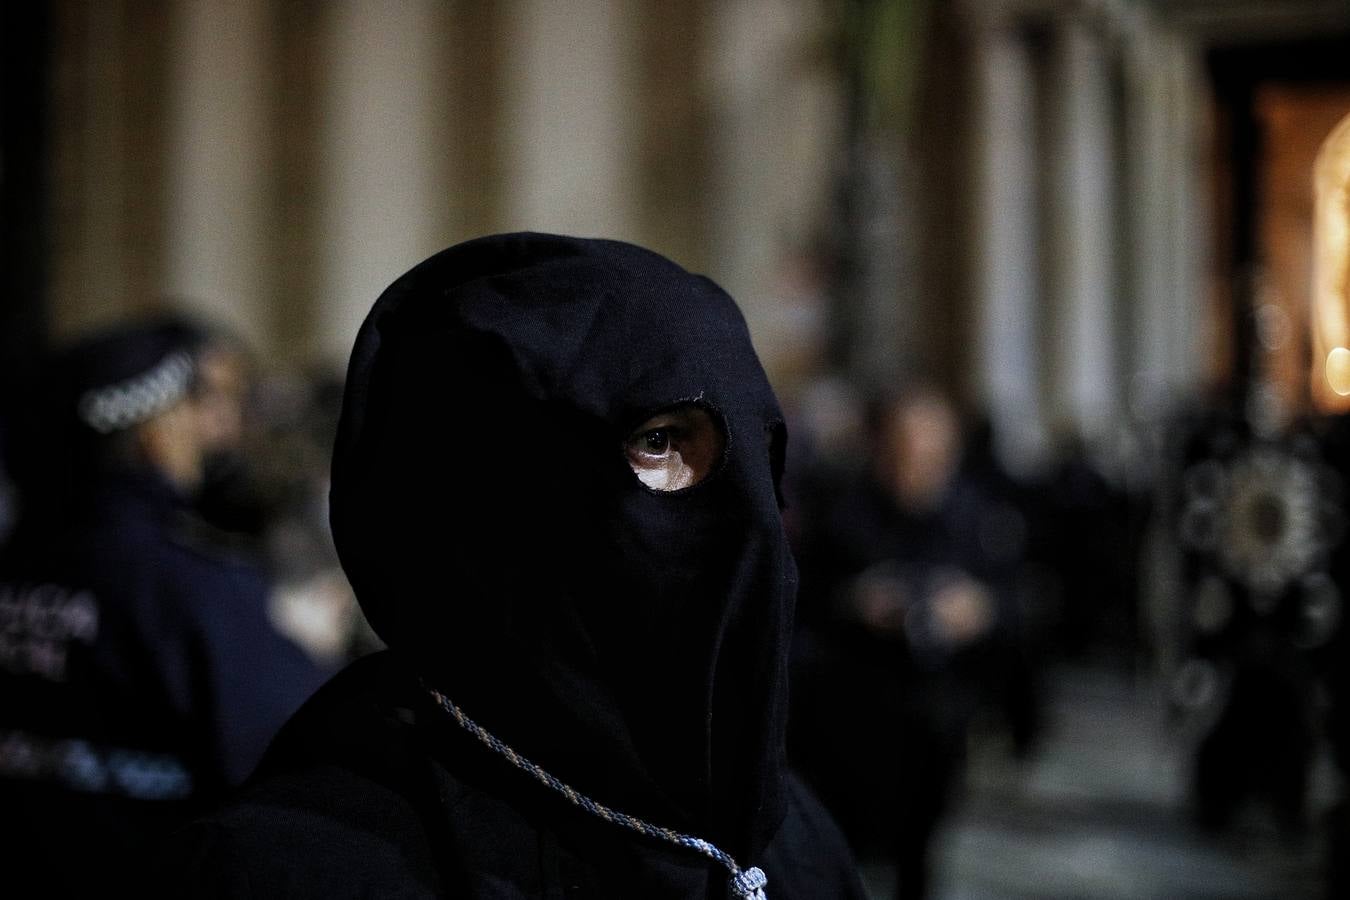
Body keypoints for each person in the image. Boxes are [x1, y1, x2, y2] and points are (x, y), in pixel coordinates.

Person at [153, 233, 866, 899]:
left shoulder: (790, 831)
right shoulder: (299, 865)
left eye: (753, 448)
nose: (739, 514)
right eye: (659, 439)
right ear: (504, 481)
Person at [0, 317, 333, 896]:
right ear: (156, 434)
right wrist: (306, 652)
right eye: (193, 407)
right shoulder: (190, 590)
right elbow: (301, 761)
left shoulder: (17, 561)